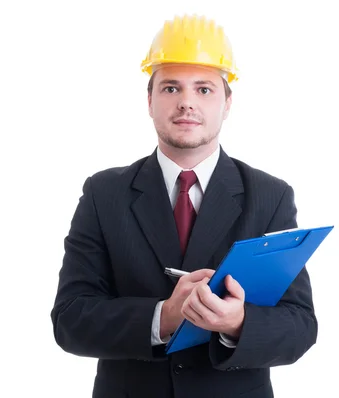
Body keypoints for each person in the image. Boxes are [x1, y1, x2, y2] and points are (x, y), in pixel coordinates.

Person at [50, 14, 317, 398]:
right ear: (149, 100)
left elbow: (300, 326)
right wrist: (165, 316)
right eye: (171, 88)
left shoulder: (270, 196)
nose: (187, 102)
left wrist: (238, 323)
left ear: (227, 103)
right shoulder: (103, 193)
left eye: (204, 89)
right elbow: (71, 319)